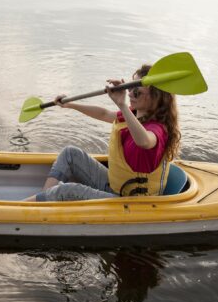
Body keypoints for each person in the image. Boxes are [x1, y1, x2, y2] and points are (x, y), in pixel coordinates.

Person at [30, 64, 181, 202]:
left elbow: (144, 141)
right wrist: (70, 105)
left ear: (156, 97)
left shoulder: (158, 129)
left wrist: (122, 105)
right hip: (116, 186)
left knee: (66, 190)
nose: (129, 94)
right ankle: (45, 200)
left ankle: (33, 206)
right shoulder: (133, 115)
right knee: (70, 153)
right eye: (129, 88)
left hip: (131, 201)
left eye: (136, 91)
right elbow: (103, 114)